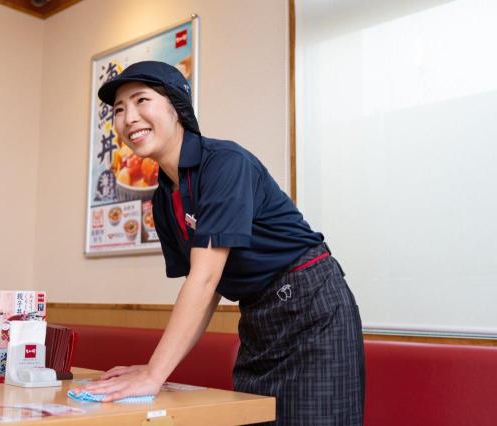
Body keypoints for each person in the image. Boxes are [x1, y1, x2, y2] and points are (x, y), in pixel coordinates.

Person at [77, 61, 365, 425]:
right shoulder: (164, 198)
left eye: (141, 101)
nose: (129, 117)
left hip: (313, 307)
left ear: (177, 107)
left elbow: (206, 279)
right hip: (259, 317)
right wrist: (155, 369)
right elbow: (204, 285)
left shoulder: (225, 163)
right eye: (119, 110)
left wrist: (153, 373)